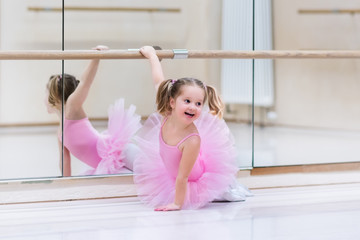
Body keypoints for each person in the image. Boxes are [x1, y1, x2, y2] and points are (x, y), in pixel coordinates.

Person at [133, 46, 251, 211]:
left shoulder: (192, 140)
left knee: (225, 193)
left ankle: (229, 186)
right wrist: (152, 56)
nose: (193, 107)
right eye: (187, 101)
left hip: (194, 179)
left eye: (198, 103)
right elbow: (158, 81)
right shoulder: (166, 115)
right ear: (172, 102)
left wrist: (176, 204)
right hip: (177, 173)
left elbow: (183, 177)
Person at [44, 45, 141, 176]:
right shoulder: (59, 134)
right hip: (107, 166)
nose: (43, 98)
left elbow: (85, 82)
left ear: (54, 97)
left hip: (117, 151)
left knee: (150, 170)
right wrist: (65, 188)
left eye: (45, 93)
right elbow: (64, 161)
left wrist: (96, 57)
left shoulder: (71, 109)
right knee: (138, 183)